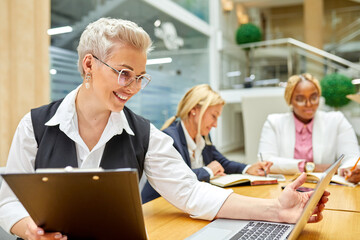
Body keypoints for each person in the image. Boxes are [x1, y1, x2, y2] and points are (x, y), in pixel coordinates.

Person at [0, 19, 328, 240]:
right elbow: (7, 201)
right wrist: (28, 229)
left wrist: (276, 210)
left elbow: (192, 193)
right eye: (125, 73)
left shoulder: (146, 135)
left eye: (141, 77)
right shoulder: (36, 125)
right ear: (89, 64)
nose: (134, 87)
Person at [141, 84, 273, 203]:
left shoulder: (202, 137)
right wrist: (208, 171)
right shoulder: (169, 138)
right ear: (194, 110)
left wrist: (248, 168)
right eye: (213, 116)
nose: (215, 124)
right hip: (156, 207)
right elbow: (178, 180)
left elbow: (222, 162)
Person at [258, 73, 360, 183]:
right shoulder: (274, 123)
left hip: (327, 187)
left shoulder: (337, 120)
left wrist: (350, 169)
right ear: (290, 100)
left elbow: (352, 157)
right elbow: (266, 161)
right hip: (286, 187)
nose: (308, 104)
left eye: (314, 97)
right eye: (300, 99)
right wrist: (308, 166)